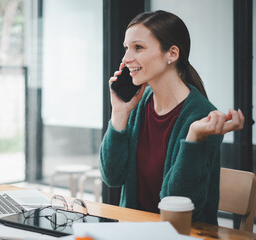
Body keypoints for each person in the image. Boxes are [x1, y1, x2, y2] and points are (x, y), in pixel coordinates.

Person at [99, 10, 244, 225]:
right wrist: (119, 113)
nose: (126, 59)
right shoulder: (139, 104)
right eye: (126, 48)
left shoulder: (203, 117)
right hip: (133, 231)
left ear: (172, 54)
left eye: (138, 47)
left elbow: (179, 204)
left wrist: (194, 137)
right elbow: (112, 177)